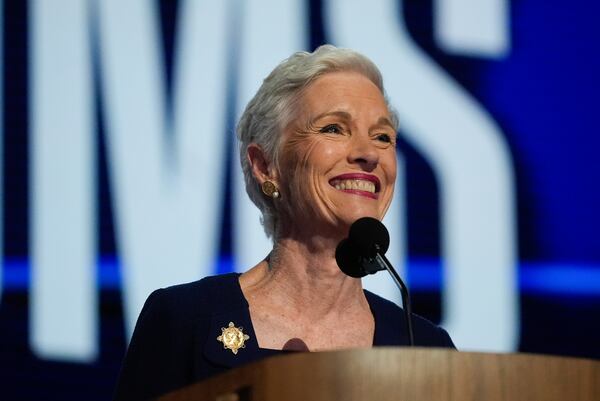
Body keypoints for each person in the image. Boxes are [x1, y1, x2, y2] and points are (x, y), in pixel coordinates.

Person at [113, 44, 454, 401]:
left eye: (383, 137)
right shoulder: (185, 322)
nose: (368, 153)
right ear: (265, 166)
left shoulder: (425, 346)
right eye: (334, 129)